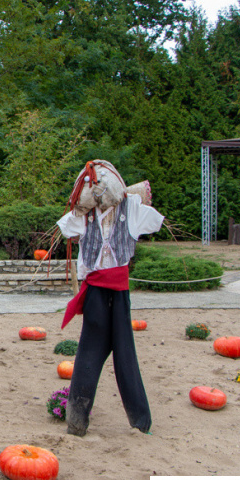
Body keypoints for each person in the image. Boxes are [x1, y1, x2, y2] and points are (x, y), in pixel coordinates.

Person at [57, 160, 163, 437]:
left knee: (125, 353)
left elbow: (154, 221)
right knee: (89, 351)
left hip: (120, 292)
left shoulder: (132, 209)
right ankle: (77, 420)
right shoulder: (83, 216)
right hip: (95, 292)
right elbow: (67, 227)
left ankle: (140, 421)